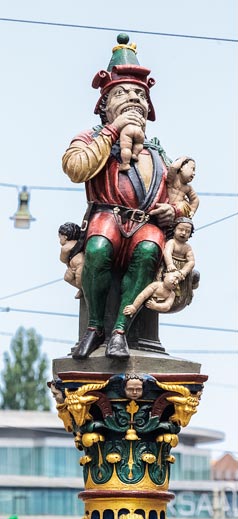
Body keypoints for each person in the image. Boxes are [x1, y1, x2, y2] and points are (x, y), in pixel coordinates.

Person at [62, 34, 179, 359]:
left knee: (149, 249)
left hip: (145, 223)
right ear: (105, 104)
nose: (133, 99)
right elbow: (75, 168)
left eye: (140, 95)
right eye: (123, 93)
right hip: (107, 215)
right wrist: (113, 132)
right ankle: (95, 326)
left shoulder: (157, 151)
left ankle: (119, 332)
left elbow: (179, 196)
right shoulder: (92, 137)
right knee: (98, 249)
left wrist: (173, 211)